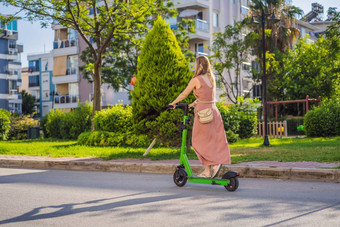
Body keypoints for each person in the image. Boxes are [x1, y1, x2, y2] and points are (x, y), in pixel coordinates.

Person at [169, 56, 231, 178]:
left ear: (199, 65)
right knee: (213, 140)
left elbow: (183, 94)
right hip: (214, 111)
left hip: (203, 114)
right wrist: (192, 104)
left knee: (198, 142)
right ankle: (211, 167)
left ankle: (211, 167)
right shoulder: (211, 78)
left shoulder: (196, 79)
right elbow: (205, 97)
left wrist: (173, 103)